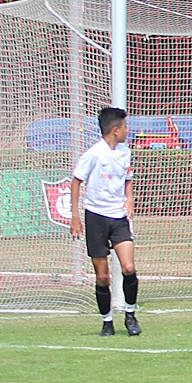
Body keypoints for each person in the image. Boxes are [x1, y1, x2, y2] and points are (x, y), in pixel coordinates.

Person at [69, 106, 140, 337]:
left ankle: (130, 315)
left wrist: (129, 200)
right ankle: (107, 321)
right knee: (102, 276)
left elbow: (127, 179)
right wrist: (76, 217)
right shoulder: (94, 154)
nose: (128, 131)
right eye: (126, 127)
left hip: (118, 218)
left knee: (129, 267)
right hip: (96, 218)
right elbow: (76, 181)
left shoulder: (125, 152)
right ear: (116, 130)